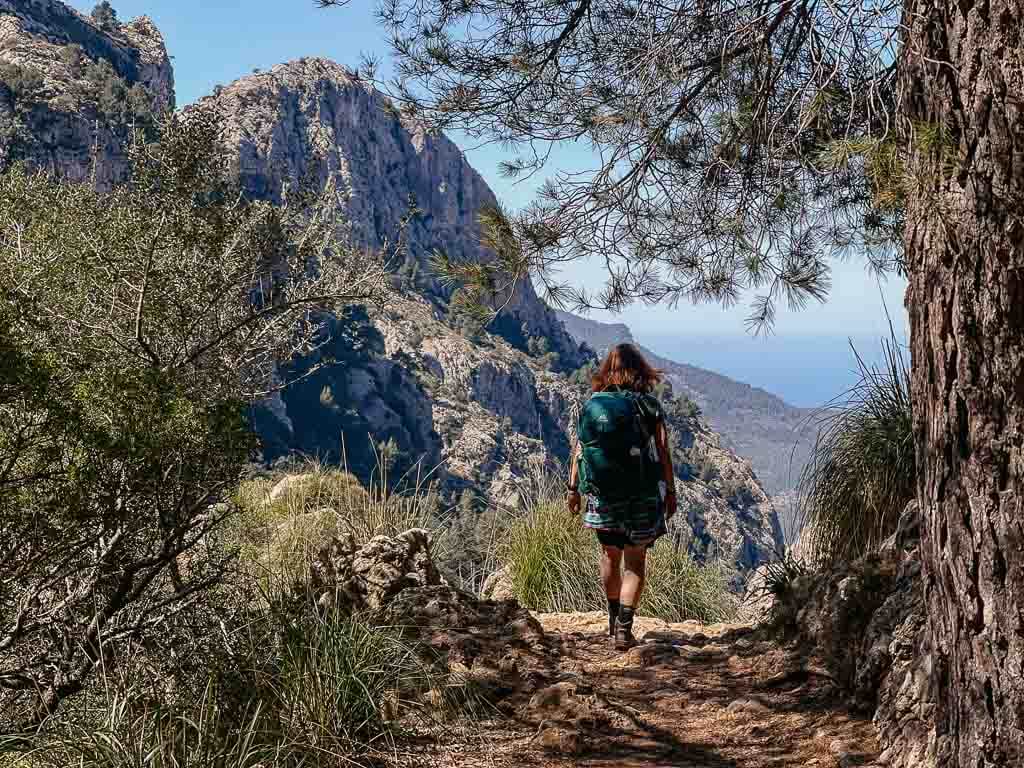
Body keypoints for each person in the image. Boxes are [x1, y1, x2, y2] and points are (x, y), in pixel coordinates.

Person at [567, 343, 677, 650]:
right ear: (640, 371)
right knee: (635, 564)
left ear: (607, 371)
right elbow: (663, 452)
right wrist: (670, 491)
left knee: (609, 557)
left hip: (602, 497)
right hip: (642, 496)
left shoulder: (593, 404)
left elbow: (579, 449)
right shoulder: (649, 406)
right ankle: (624, 631)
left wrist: (573, 490)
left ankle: (613, 620)